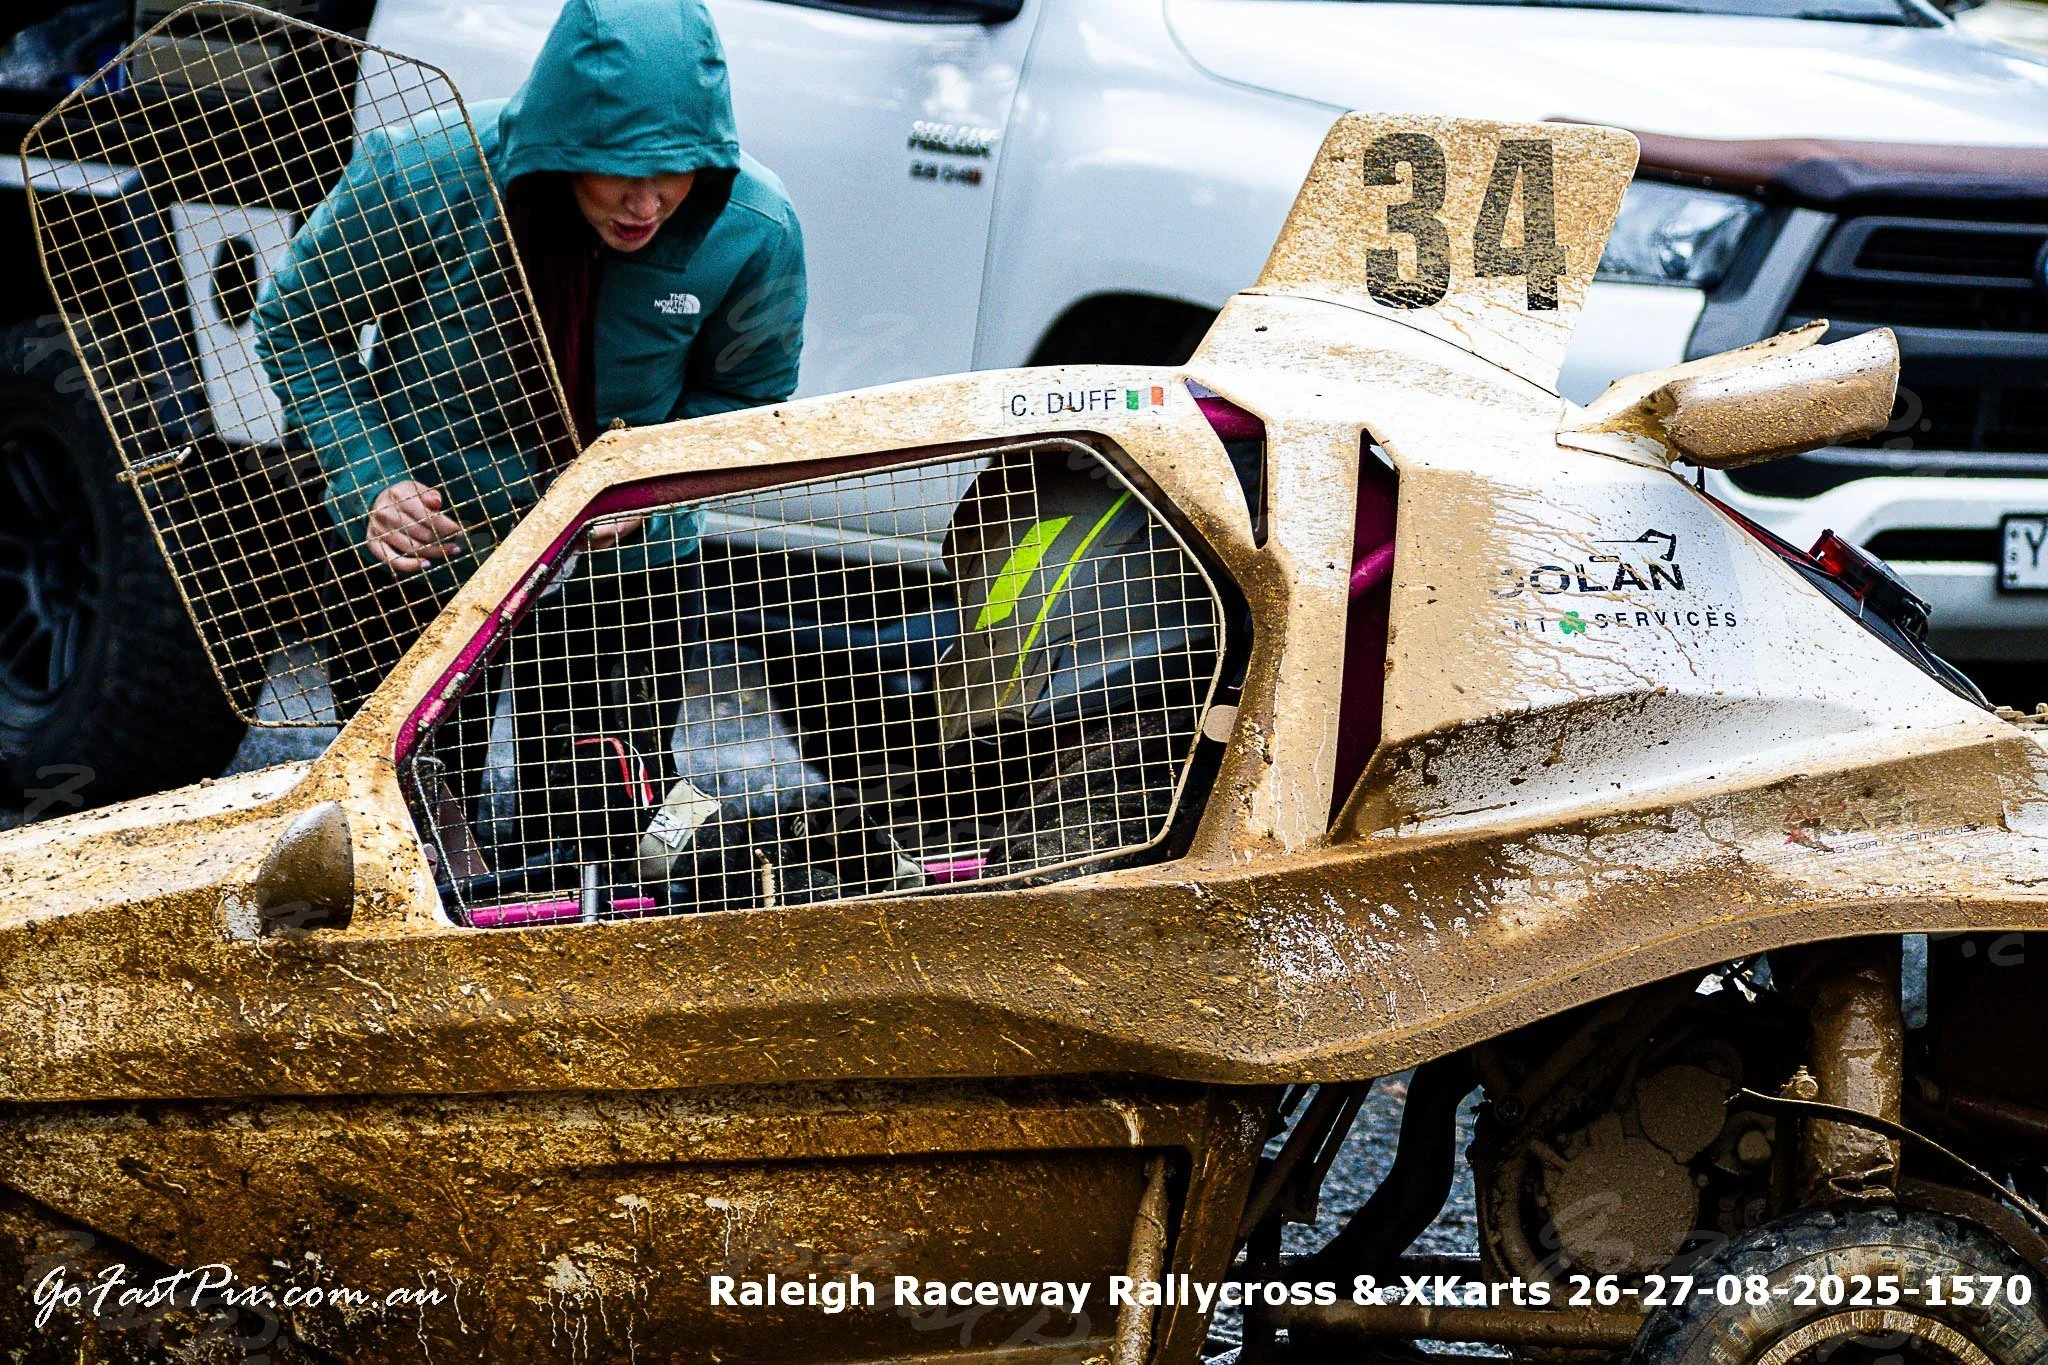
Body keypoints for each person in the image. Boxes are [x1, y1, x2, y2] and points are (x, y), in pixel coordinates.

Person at [256, 0, 805, 883]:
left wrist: (651, 480)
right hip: (424, 548)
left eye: (672, 171)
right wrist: (372, 485)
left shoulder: (754, 227)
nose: (646, 200)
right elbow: (295, 324)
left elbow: (748, 392)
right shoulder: (421, 173)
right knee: (405, 827)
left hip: (617, 564)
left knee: (607, 822)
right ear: (560, 144)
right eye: (615, 171)